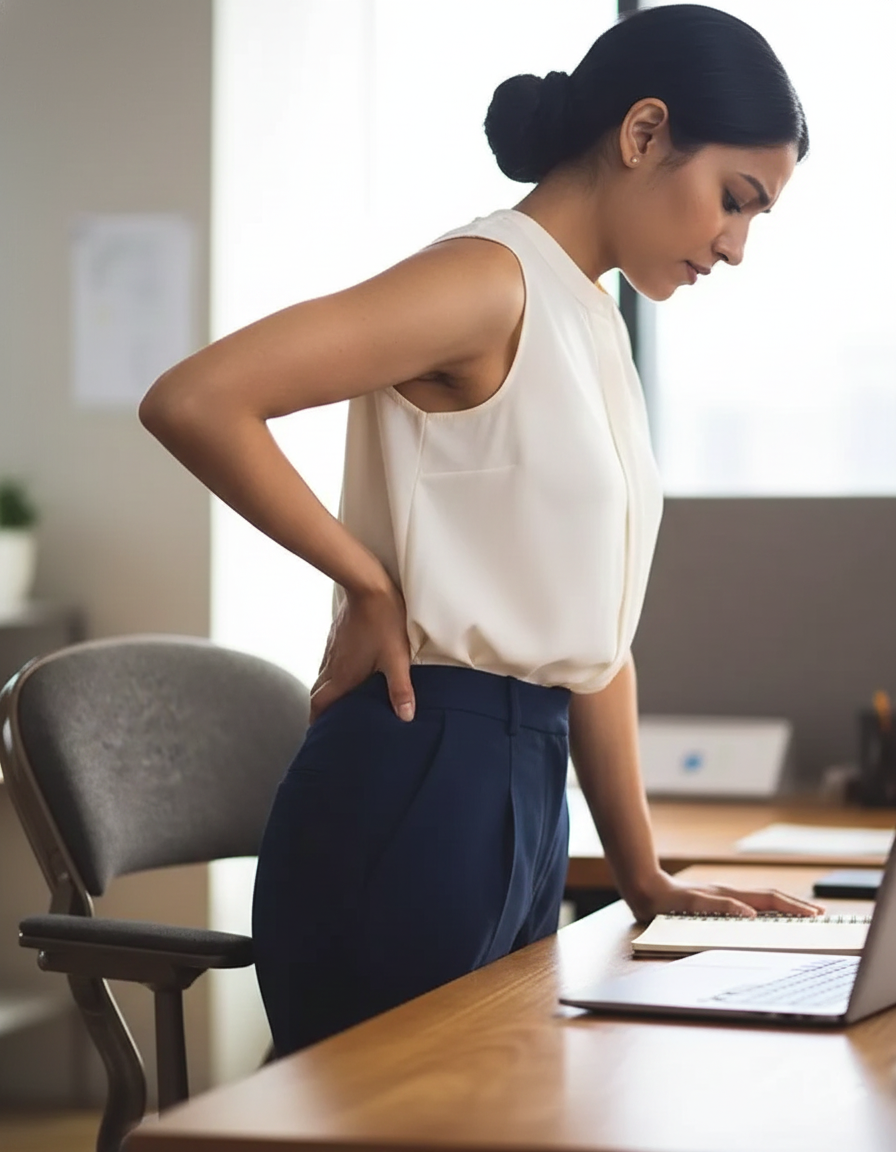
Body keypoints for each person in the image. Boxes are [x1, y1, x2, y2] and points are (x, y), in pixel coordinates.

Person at [139, 3, 825, 1057]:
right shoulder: (484, 277)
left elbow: (591, 638)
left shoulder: (587, 319)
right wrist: (365, 583)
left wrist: (643, 875)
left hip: (520, 791)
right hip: (417, 782)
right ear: (642, 135)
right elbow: (197, 398)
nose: (732, 246)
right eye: (733, 201)